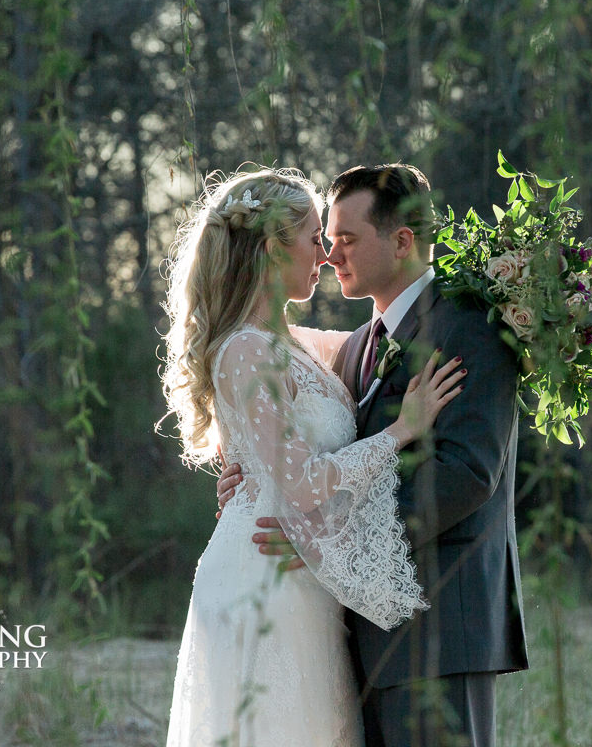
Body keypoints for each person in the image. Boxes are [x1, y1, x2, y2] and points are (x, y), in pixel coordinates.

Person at [219, 164, 528, 747]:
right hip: (355, 635)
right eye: (326, 239)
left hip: (441, 627)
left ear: (403, 240)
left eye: (347, 238)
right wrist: (254, 483)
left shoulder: (470, 326)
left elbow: (465, 473)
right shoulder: (356, 345)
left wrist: (327, 540)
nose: (330, 254)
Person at [161, 167, 467, 747]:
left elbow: (386, 335)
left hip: (305, 576)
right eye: (312, 239)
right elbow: (301, 483)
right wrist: (402, 430)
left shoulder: (299, 343)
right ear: (272, 249)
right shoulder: (245, 352)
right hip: (264, 576)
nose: (325, 255)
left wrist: (508, 296)